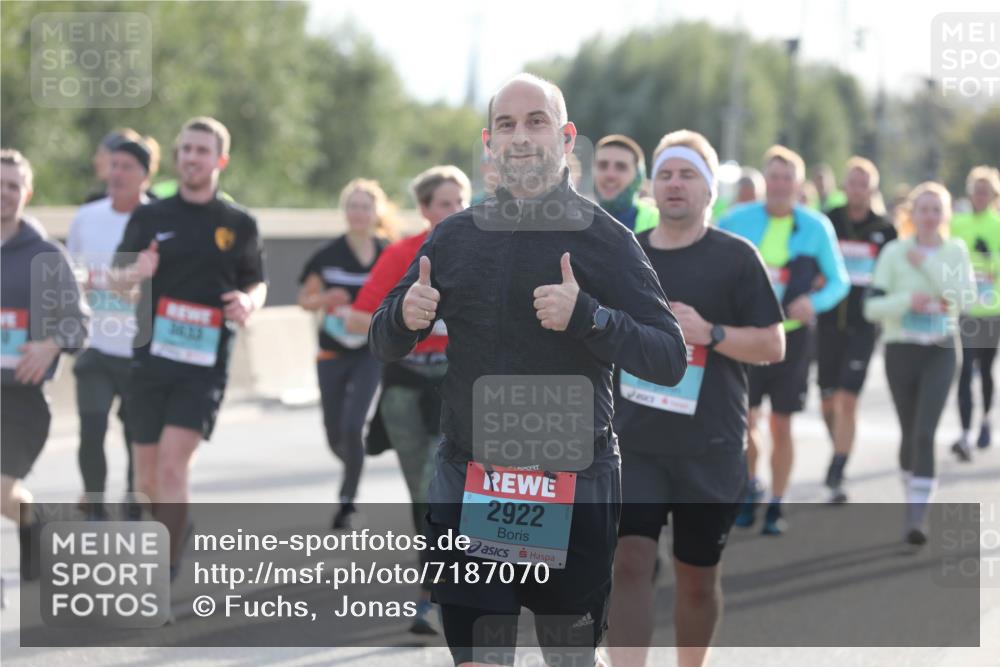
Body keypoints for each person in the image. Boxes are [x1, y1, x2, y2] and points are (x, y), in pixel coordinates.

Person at [369, 73, 687, 667]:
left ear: (566, 139)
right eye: (507, 125)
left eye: (536, 121)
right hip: (473, 480)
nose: (521, 137)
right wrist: (404, 317)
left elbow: (669, 357)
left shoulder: (604, 238)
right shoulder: (456, 236)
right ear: (489, 143)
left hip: (573, 483)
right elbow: (382, 339)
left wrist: (588, 317)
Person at [607, 130, 784, 667]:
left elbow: (774, 345)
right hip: (633, 443)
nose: (675, 184)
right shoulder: (625, 253)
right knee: (630, 562)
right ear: (651, 188)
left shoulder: (736, 258)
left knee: (696, 579)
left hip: (709, 446)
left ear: (709, 190)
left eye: (687, 175)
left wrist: (711, 333)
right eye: (665, 174)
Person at [113, 117, 267, 578]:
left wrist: (247, 301)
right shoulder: (150, 216)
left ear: (219, 160)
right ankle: (177, 525)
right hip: (150, 359)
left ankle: (164, 565)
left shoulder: (238, 224)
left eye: (202, 151)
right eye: (186, 150)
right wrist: (135, 272)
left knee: (172, 466)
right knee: (146, 480)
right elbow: (116, 282)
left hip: (203, 362)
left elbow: (256, 283)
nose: (192, 158)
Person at [345, 165, 471, 635]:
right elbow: (360, 320)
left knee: (437, 486)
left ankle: (432, 594)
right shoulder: (402, 253)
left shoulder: (485, 253)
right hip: (403, 390)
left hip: (456, 389)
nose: (456, 211)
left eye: (462, 201)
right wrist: (406, 317)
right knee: (421, 496)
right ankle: (438, 584)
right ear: (423, 209)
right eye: (444, 203)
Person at [718, 145, 849, 535]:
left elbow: (839, 280)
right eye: (773, 176)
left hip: (791, 340)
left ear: (797, 184)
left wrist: (815, 300)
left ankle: (776, 502)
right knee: (744, 422)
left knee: (782, 425)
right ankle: (749, 487)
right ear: (765, 181)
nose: (779, 184)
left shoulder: (816, 226)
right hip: (746, 337)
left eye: (786, 178)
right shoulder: (736, 220)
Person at [864, 182, 975, 545]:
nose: (929, 216)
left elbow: (965, 297)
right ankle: (911, 489)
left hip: (941, 349)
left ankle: (917, 515)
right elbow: (871, 307)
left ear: (945, 215)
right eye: (922, 209)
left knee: (926, 432)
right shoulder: (894, 252)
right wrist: (907, 301)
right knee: (909, 432)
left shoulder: (955, 251)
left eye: (936, 209)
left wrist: (928, 263)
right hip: (901, 350)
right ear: (912, 213)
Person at [2, 149, 89, 580]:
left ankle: (32, 519)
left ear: (27, 193)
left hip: (21, 398)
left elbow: (79, 322)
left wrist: (49, 345)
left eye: (13, 186)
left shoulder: (46, 257)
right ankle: (32, 520)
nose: (4, 193)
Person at [68, 139, 155, 515]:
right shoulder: (87, 217)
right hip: (96, 346)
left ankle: (134, 506)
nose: (117, 173)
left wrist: (138, 289)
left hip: (140, 351)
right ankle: (95, 507)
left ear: (145, 175)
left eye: (127, 167)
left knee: (138, 437)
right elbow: (68, 271)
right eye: (113, 165)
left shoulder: (159, 220)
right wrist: (81, 282)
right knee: (91, 429)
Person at [297, 179, 391, 528]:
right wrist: (325, 299)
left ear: (376, 212)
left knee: (354, 426)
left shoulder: (388, 253)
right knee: (334, 433)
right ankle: (355, 460)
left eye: (365, 206)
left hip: (369, 352)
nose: (359, 213)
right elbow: (304, 300)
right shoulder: (327, 255)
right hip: (332, 353)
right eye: (353, 206)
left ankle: (347, 502)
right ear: (345, 211)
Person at [816, 157, 896, 502]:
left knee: (849, 400)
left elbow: (892, 274)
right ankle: (838, 447)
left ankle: (838, 466)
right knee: (828, 399)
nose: (858, 188)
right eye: (853, 182)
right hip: (829, 321)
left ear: (872, 188)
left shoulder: (886, 229)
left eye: (865, 183)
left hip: (864, 327)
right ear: (845, 186)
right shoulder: (829, 221)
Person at [949, 166, 1000, 459]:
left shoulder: (997, 225)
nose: (980, 196)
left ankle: (985, 420)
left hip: (992, 310)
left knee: (987, 370)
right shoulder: (958, 223)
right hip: (964, 309)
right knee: (965, 370)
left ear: (994, 195)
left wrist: (987, 257)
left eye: (986, 192)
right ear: (970, 194)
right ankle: (965, 434)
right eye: (976, 191)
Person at [593, 134, 658, 233]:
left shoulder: (660, 223)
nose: (610, 175)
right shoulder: (576, 224)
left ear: (638, 176)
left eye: (621, 167)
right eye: (603, 165)